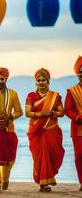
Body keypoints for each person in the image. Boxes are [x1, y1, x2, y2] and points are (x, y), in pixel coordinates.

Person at [25, 68, 64, 192]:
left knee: (52, 155)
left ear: (48, 81)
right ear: (36, 82)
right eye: (39, 80)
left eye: (44, 80)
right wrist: (41, 114)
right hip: (36, 131)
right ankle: (43, 182)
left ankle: (46, 180)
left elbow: (61, 112)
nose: (41, 82)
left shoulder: (55, 96)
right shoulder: (31, 96)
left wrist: (52, 113)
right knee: (38, 156)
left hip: (51, 130)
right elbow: (27, 113)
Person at [65, 56, 82, 191]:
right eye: (80, 72)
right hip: (78, 129)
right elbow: (67, 110)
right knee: (79, 156)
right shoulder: (71, 91)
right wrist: (77, 118)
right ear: (77, 74)